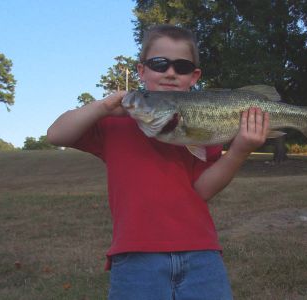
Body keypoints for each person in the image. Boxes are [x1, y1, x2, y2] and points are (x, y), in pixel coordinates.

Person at [47, 24, 269, 300]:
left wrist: (240, 151)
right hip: (134, 258)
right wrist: (104, 106)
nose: (171, 72)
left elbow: (203, 190)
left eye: (182, 66)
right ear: (141, 71)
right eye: (159, 64)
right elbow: (56, 134)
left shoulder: (206, 124)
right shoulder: (114, 124)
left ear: (194, 76)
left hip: (202, 254)